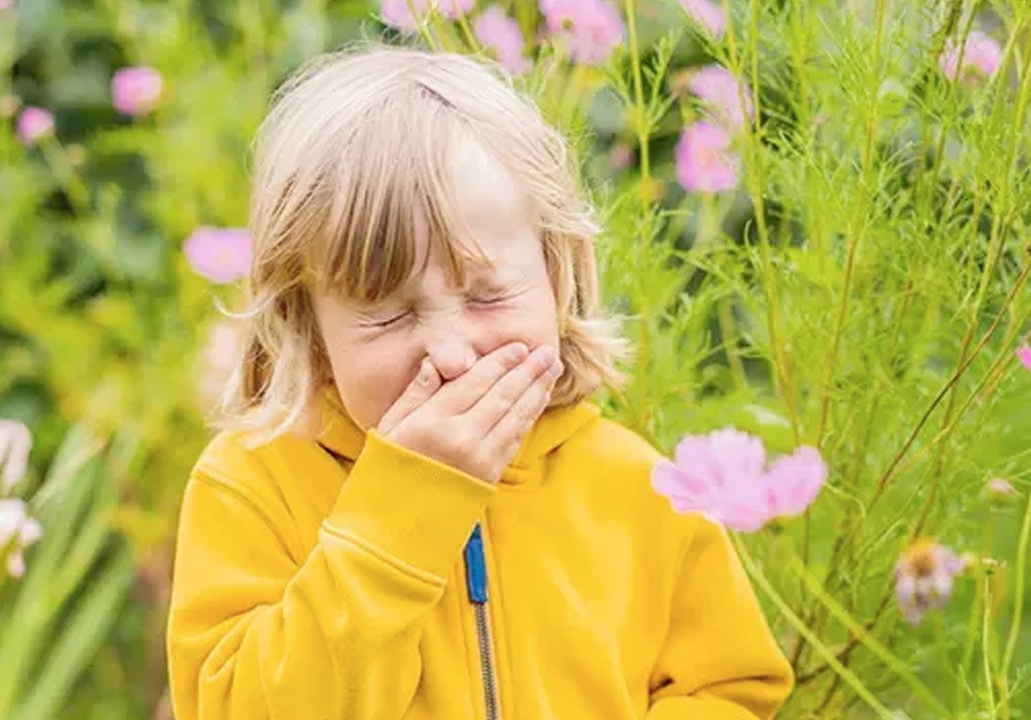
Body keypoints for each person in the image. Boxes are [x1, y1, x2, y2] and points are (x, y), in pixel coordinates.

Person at [166, 43, 794, 720]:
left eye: (488, 296)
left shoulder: (637, 489)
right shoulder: (254, 489)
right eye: (391, 314)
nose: (452, 354)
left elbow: (730, 689)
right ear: (309, 328)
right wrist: (397, 520)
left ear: (557, 276)